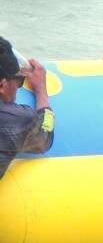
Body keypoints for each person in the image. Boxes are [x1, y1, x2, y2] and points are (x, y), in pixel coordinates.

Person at [0, 36, 54, 179]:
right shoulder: (17, 119)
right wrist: (41, 91)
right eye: (19, 80)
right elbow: (45, 137)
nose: (19, 86)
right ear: (2, 85)